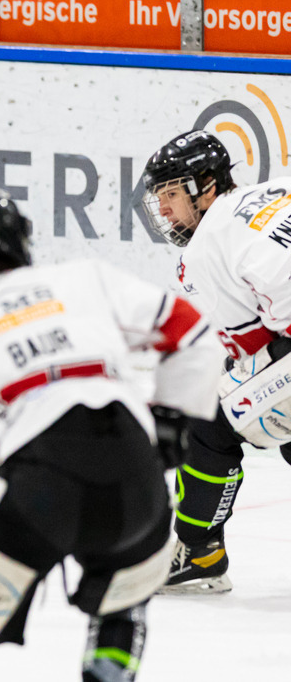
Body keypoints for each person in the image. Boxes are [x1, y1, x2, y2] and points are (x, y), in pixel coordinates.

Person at [0, 191, 221, 681]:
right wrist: (171, 424)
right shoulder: (84, 278)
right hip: (137, 480)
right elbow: (192, 333)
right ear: (23, 244)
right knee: (121, 605)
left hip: (38, 490)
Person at [141, 129, 291, 593]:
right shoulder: (273, 190)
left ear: (205, 185)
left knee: (206, 415)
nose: (163, 209)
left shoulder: (207, 246)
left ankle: (199, 551)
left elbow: (248, 348)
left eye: (170, 194)